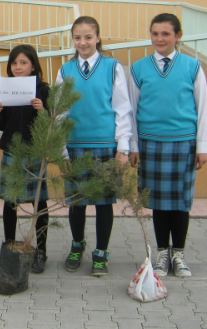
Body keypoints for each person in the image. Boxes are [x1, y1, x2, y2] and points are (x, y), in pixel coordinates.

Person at [129, 13, 207, 278]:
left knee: (181, 202)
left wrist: (201, 146)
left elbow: (203, 109)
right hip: (150, 144)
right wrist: (133, 145)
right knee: (159, 203)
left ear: (178, 37)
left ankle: (179, 254)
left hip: (183, 143)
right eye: (155, 33)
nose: (159, 39)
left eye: (165, 34)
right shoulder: (138, 68)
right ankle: (162, 253)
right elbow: (132, 109)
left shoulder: (193, 67)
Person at [56, 15, 132, 277]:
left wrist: (123, 148)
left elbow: (122, 109)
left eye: (88, 37)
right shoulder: (65, 71)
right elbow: (59, 113)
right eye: (78, 37)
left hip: (105, 146)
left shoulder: (113, 67)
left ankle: (101, 252)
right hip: (75, 146)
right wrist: (62, 151)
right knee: (77, 202)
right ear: (73, 39)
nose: (83, 42)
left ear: (98, 38)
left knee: (103, 203)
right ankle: (77, 246)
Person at [0, 45, 50, 273]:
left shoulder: (42, 90)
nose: (18, 67)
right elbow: (0, 123)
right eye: (14, 63)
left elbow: (52, 122)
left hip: (35, 153)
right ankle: (9, 244)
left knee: (40, 203)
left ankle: (41, 250)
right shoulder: (4, 88)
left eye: (23, 62)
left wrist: (42, 110)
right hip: (12, 153)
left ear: (33, 65)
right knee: (10, 201)